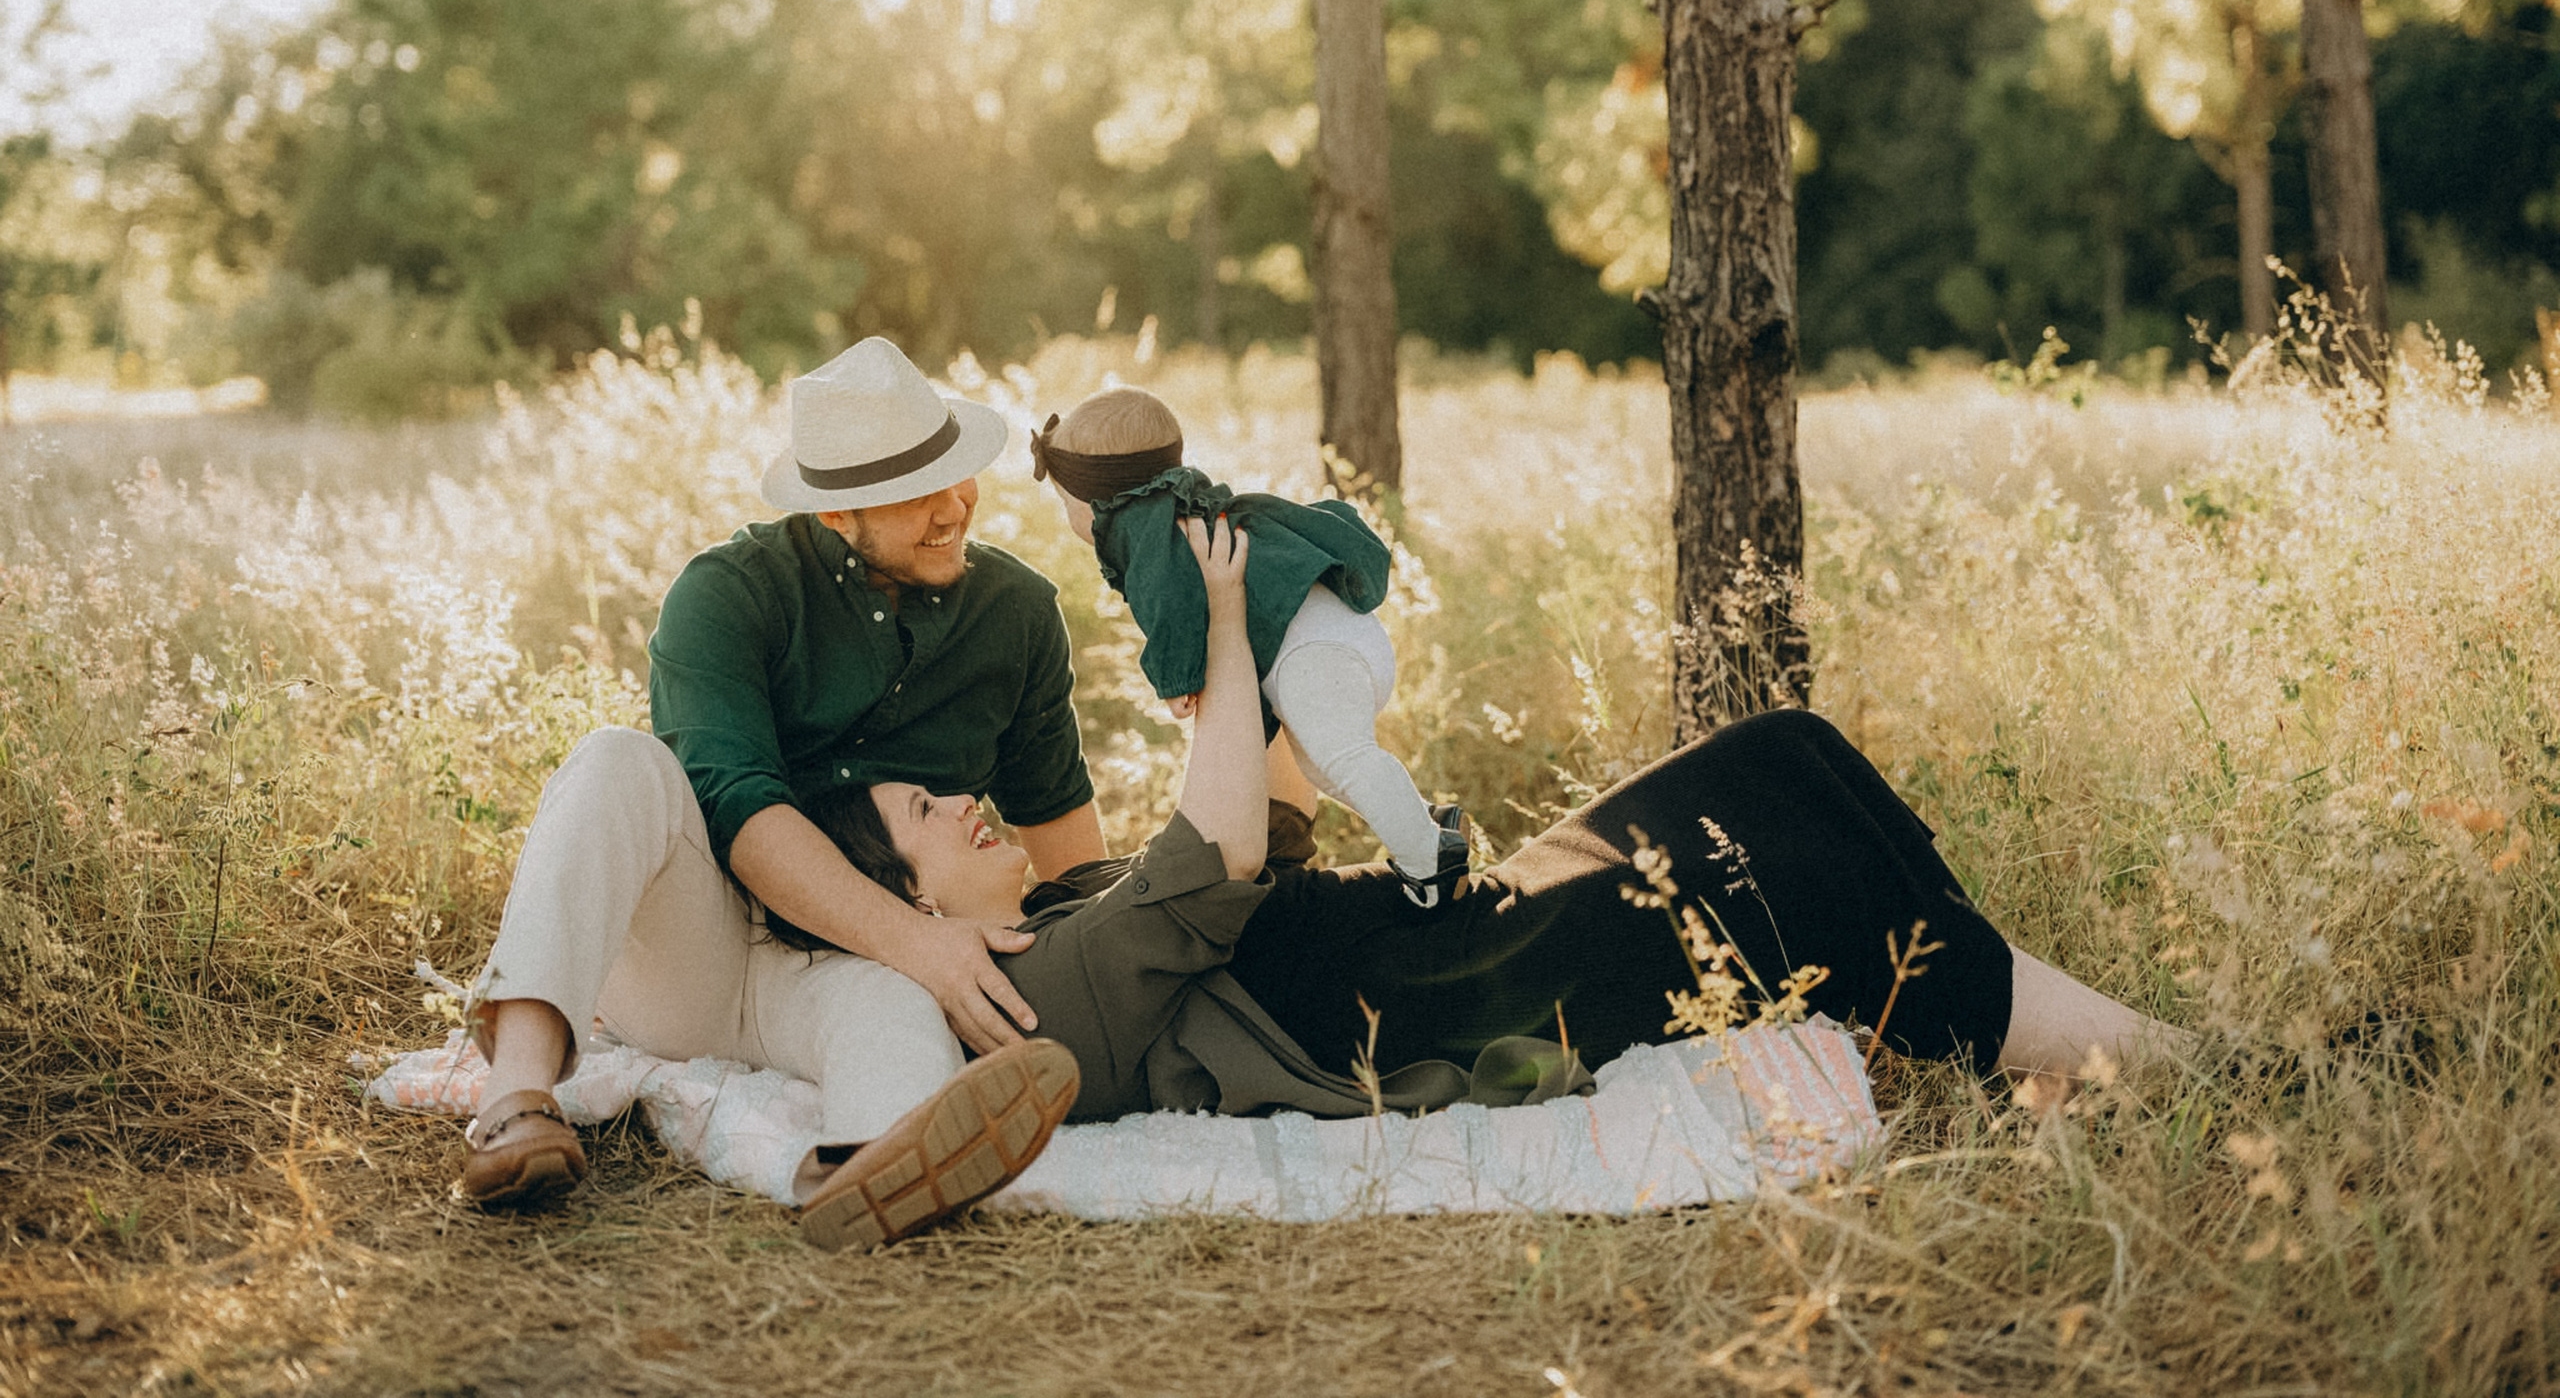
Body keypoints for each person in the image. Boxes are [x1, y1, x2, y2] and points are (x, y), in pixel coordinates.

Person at [800, 517, 2192, 1124]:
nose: (968, 802)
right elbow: (1217, 856)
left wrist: (1243, 694)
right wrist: (1217, 621)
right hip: (1442, 1002)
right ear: (908, 901)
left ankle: (2021, 1025)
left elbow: (1261, 843)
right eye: (927, 812)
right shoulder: (1036, 1000)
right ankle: (2159, 1062)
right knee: (1792, 881)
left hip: (1450, 933)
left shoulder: (1060, 907)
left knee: (1785, 750)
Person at [458, 338, 1103, 1247]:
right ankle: (515, 1102)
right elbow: (741, 813)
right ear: (836, 511)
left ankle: (866, 1167)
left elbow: (1065, 833)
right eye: (915, 491)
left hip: (864, 969)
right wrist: (923, 945)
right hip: (708, 943)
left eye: (958, 474)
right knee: (615, 759)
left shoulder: (1019, 615)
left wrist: (1118, 962)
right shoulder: (730, 597)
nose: (954, 505)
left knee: (895, 1005)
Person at [1031, 386, 1468, 904]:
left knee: (1346, 756)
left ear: (1094, 498)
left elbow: (1168, 601)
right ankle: (1419, 820)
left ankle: (1429, 863)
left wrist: (1177, 679)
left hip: (1312, 652)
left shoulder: (1139, 528)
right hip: (1333, 636)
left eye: (1066, 503)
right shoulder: (1187, 500)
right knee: (1322, 764)